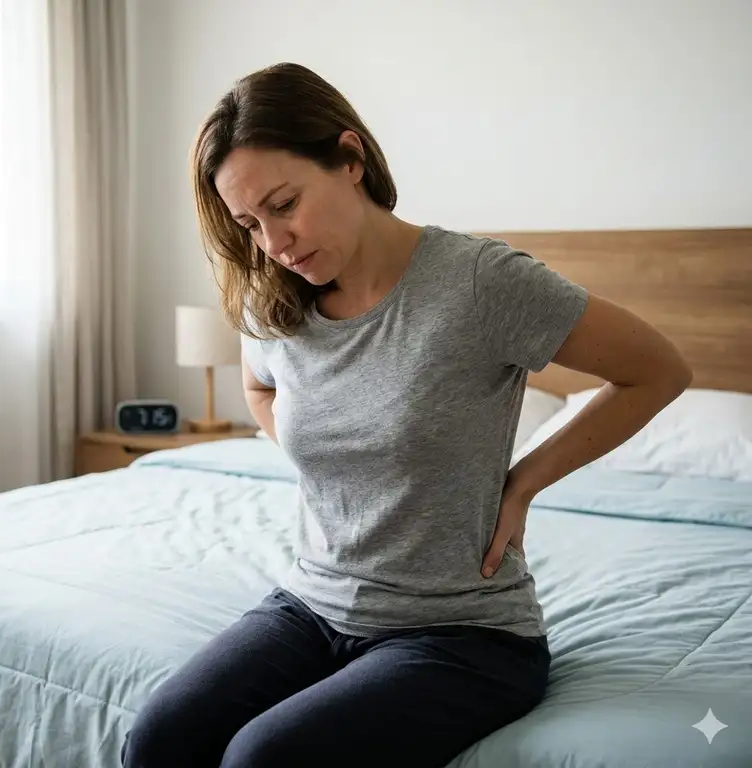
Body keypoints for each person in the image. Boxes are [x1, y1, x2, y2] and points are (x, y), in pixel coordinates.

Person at [121, 63, 692, 768]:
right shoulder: (272, 296)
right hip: (314, 603)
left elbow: (658, 370)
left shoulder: (479, 284)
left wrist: (522, 483)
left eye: (285, 203)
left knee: (261, 759)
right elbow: (262, 391)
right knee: (158, 741)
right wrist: (329, 458)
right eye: (249, 224)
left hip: (464, 633)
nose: (274, 242)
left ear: (351, 158)